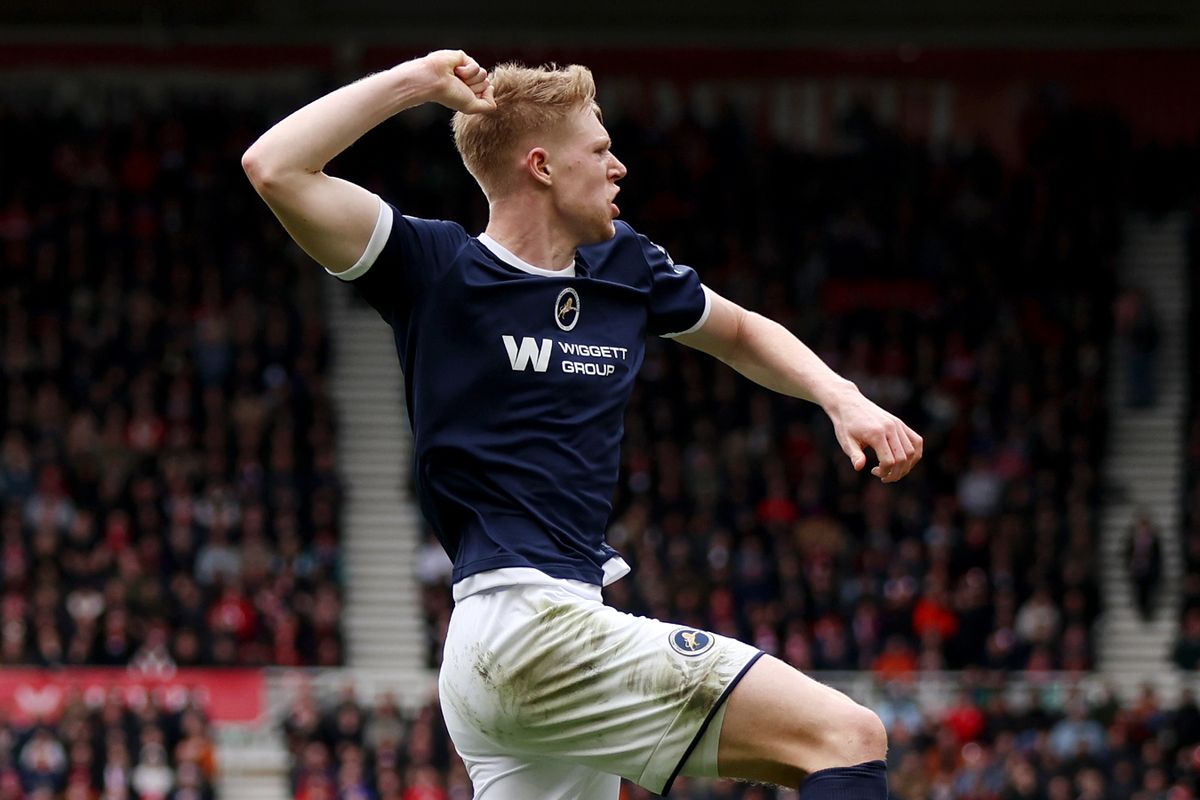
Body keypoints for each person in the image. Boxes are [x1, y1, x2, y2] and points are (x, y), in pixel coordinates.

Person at [243, 49, 922, 800]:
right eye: (599, 150)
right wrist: (416, 83)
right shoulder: (437, 268)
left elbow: (738, 331)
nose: (618, 167)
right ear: (541, 166)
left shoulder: (624, 267)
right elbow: (274, 167)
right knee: (847, 737)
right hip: (525, 626)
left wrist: (841, 397)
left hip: (519, 650)